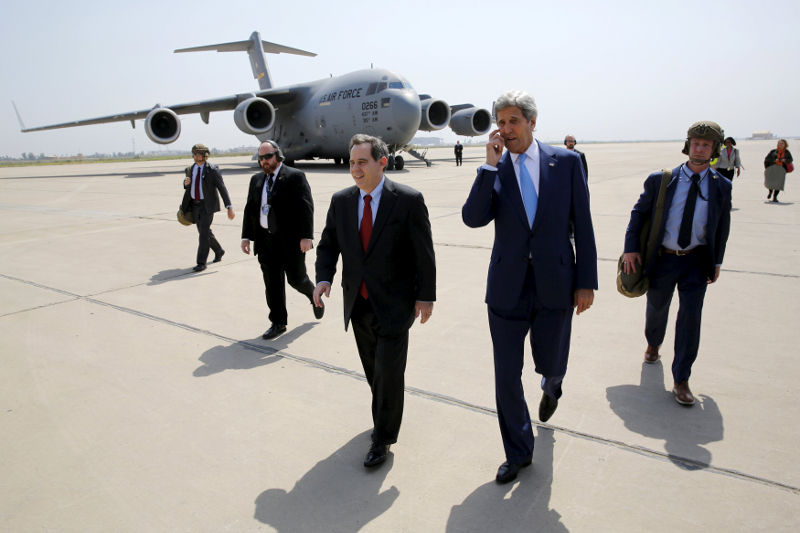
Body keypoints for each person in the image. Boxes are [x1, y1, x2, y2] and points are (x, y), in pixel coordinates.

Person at [462, 90, 597, 484]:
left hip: (556, 282)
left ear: (532, 123)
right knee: (506, 375)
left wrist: (586, 281)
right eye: (500, 123)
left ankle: (552, 384)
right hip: (506, 288)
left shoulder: (567, 162)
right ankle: (519, 452)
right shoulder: (496, 167)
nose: (505, 130)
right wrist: (488, 168)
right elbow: (473, 218)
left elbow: (583, 225)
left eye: (513, 121)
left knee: (552, 361)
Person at [314, 134, 436, 468]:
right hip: (359, 303)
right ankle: (385, 411)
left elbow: (423, 253)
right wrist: (324, 277)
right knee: (375, 371)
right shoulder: (341, 201)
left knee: (389, 373)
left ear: (382, 162)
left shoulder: (408, 200)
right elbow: (328, 244)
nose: (354, 168)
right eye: (352, 162)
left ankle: (381, 439)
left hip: (396, 303)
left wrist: (426, 296)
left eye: (361, 162)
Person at [622, 121, 732, 406]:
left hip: (696, 260)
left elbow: (722, 226)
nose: (699, 148)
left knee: (690, 318)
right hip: (664, 259)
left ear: (714, 150)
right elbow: (638, 215)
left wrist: (717, 261)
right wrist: (631, 249)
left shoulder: (722, 186)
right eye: (695, 143)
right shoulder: (661, 180)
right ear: (687, 146)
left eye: (706, 145)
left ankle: (681, 379)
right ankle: (653, 344)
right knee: (657, 308)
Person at [241, 140, 323, 340]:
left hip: (290, 241)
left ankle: (313, 294)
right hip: (265, 240)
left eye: (268, 156)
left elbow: (306, 207)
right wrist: (246, 236)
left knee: (296, 280)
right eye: (261, 158)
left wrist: (306, 237)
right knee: (272, 284)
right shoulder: (256, 180)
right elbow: (250, 209)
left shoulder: (295, 177)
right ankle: (278, 322)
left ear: (278, 155)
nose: (264, 161)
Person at [181, 143, 234, 272]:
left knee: (203, 233)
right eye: (194, 153)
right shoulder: (190, 169)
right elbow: (189, 187)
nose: (195, 156)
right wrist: (185, 183)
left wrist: (229, 206)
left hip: (207, 206)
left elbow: (222, 188)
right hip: (194, 205)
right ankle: (219, 250)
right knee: (204, 232)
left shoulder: (212, 169)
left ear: (205, 155)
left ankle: (201, 262)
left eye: (198, 153)